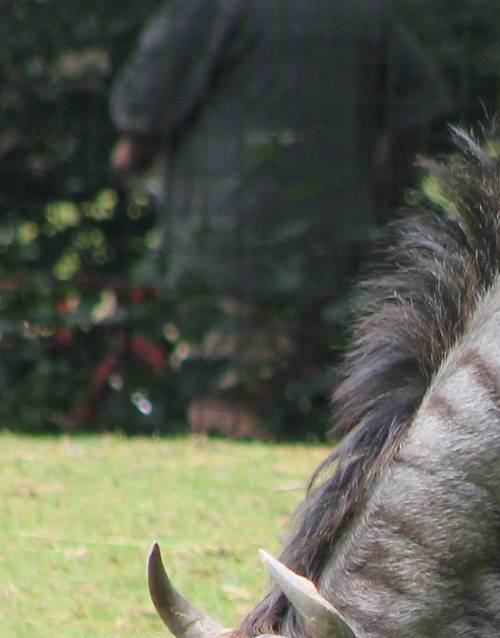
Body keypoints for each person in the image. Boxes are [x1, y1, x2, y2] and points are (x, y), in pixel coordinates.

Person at [109, 0, 451, 438]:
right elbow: (412, 117)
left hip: (226, 251)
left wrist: (127, 165)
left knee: (228, 405)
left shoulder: (206, 10)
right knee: (327, 414)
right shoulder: (362, 13)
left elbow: (144, 117)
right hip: (337, 253)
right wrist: (380, 200)